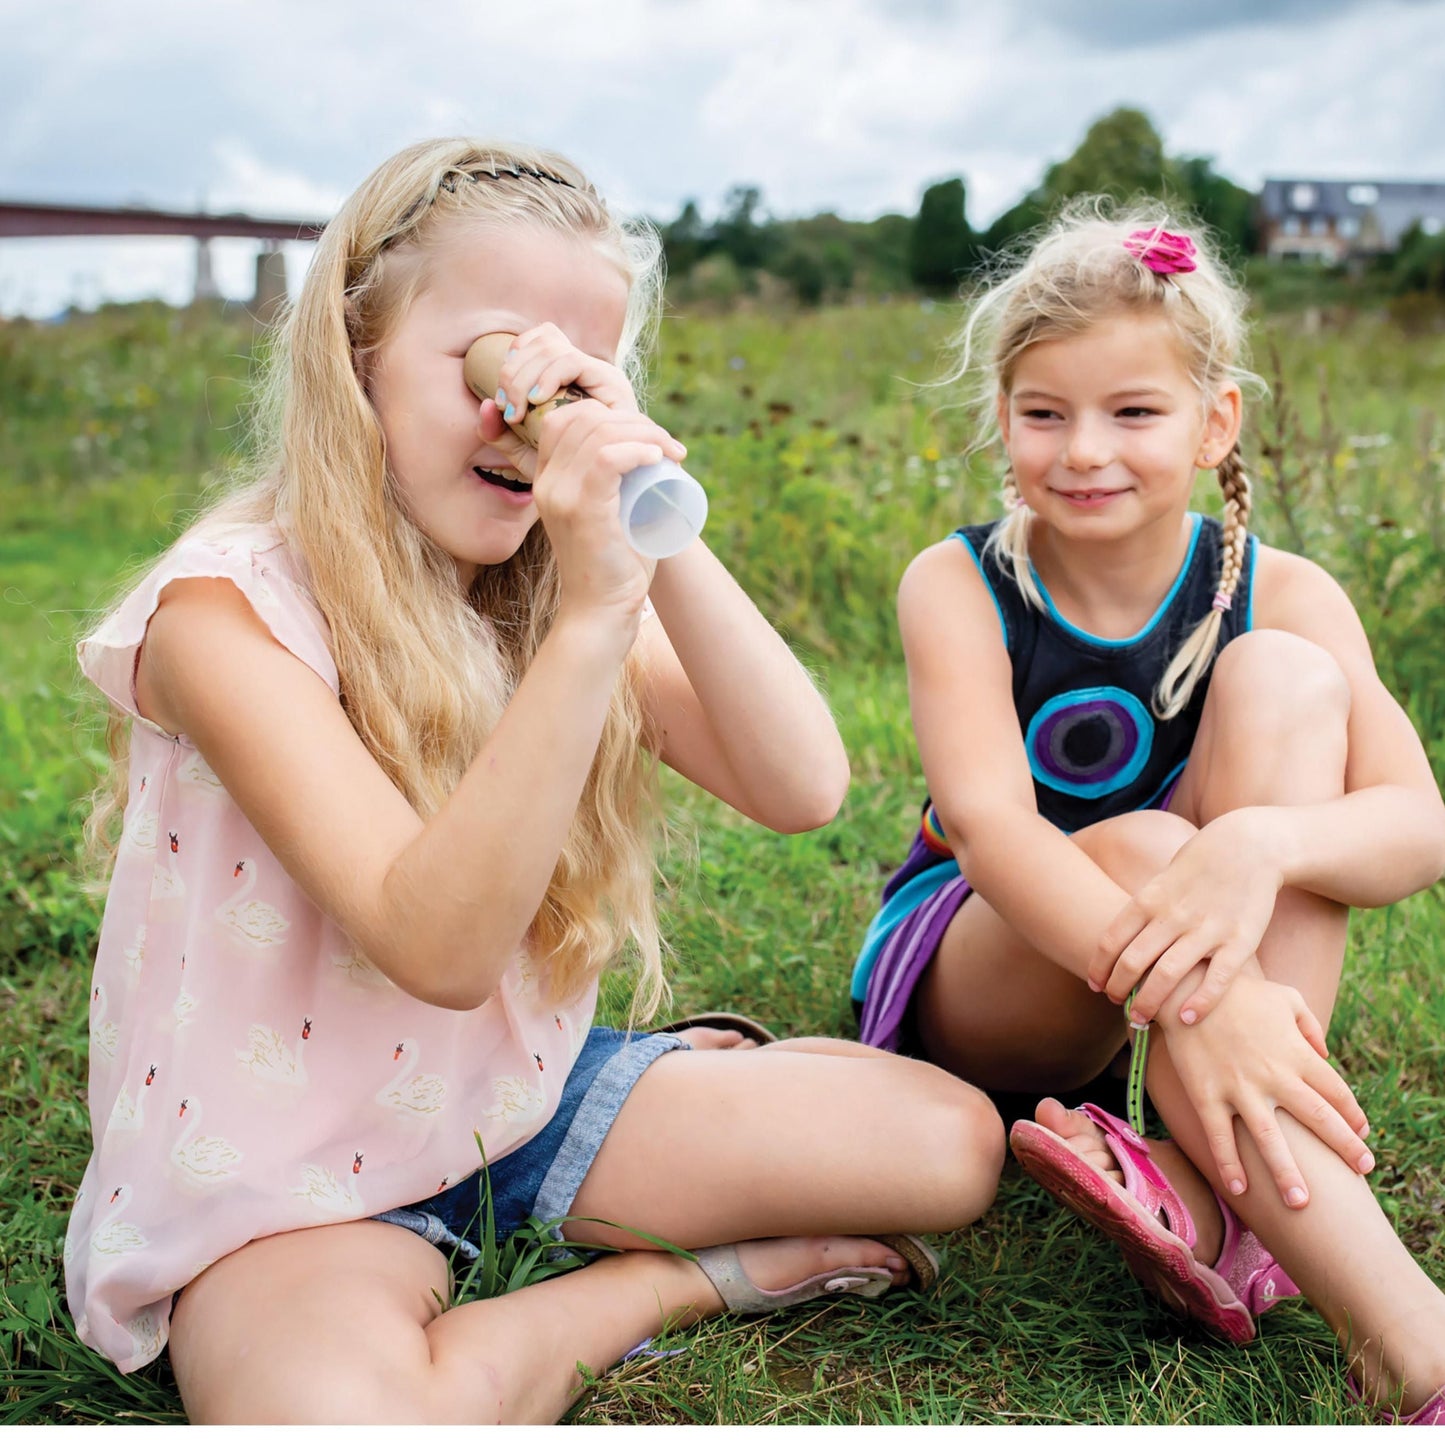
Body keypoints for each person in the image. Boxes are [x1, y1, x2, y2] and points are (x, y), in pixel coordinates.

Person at [65, 138, 1006, 1426]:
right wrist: (587, 631)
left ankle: (647, 1114)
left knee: (949, 1145)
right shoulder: (223, 614)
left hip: (509, 1102)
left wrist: (640, 511)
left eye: (580, 378)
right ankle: (670, 1285)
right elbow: (433, 944)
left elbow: (799, 781)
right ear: (358, 355)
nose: (532, 417)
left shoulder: (533, 588)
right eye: (497, 366)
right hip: (284, 1170)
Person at [850, 202, 1445, 1424]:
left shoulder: (1279, 588)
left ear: (1213, 418)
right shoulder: (958, 581)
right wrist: (1212, 993)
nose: (1082, 450)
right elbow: (994, 831)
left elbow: (1415, 826)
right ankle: (1407, 1339)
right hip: (989, 971)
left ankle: (1224, 1199)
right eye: (1042, 413)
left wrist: (1260, 838)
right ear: (1000, 418)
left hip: (1175, 973)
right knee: (1144, 842)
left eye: (1132, 411)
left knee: (1287, 683)